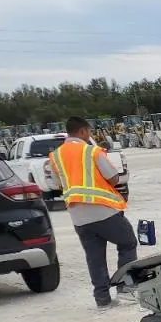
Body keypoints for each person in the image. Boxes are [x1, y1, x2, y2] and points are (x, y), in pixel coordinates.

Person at [48, 116, 138, 308]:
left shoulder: (55, 156)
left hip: (78, 216)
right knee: (128, 242)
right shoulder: (91, 151)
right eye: (88, 132)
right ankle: (126, 287)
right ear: (82, 131)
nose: (89, 135)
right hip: (102, 210)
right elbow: (113, 177)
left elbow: (57, 183)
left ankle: (102, 299)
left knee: (94, 256)